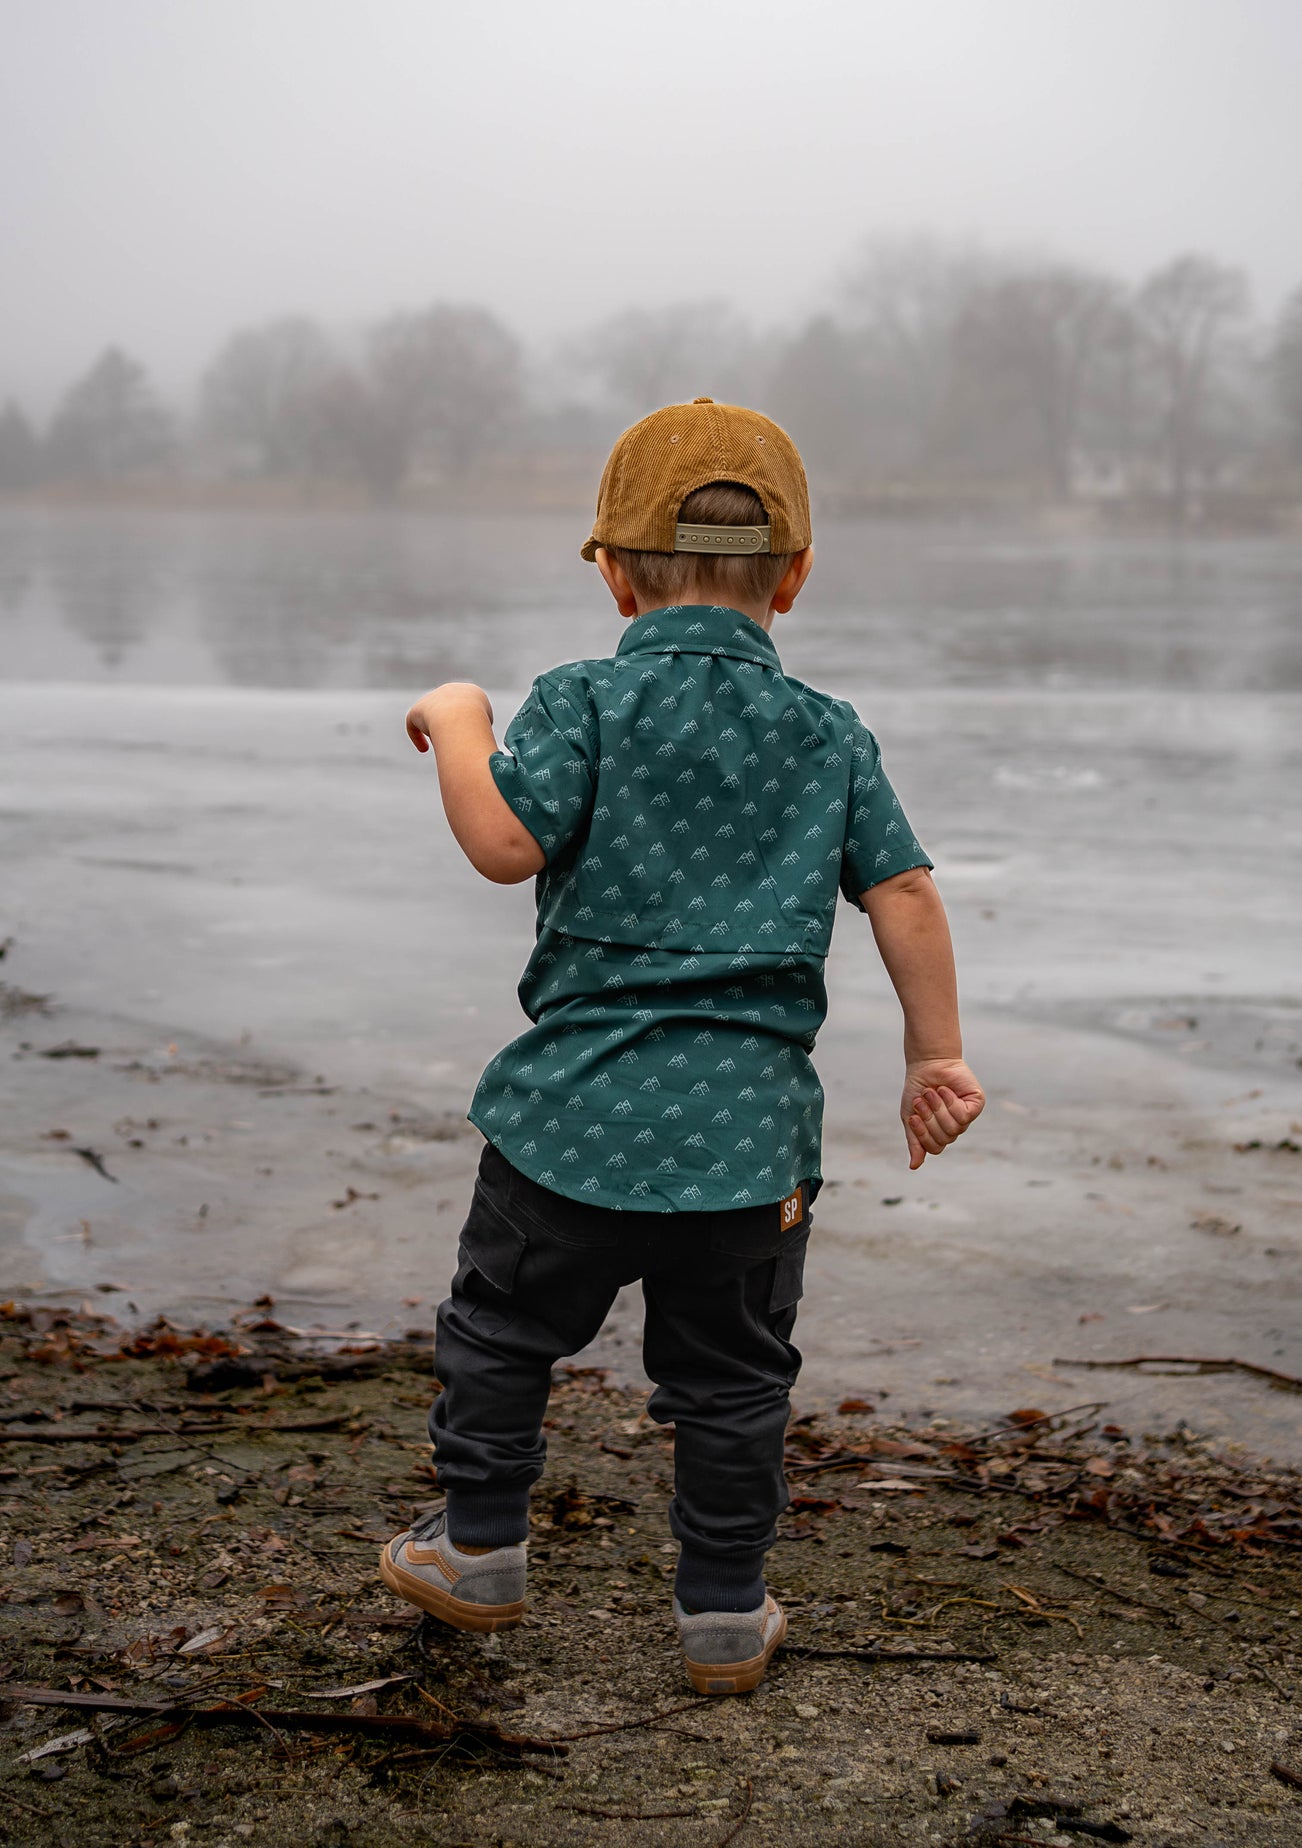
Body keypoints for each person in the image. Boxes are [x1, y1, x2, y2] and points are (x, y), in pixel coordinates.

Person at [380, 398, 984, 1695]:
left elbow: (501, 846)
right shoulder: (827, 734)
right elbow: (906, 895)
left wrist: (462, 713)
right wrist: (932, 1057)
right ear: (797, 576)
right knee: (730, 1385)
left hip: (567, 1129)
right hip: (747, 1145)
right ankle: (720, 1613)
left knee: (498, 1333)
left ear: (609, 574)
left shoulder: (584, 705)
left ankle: (478, 1547)